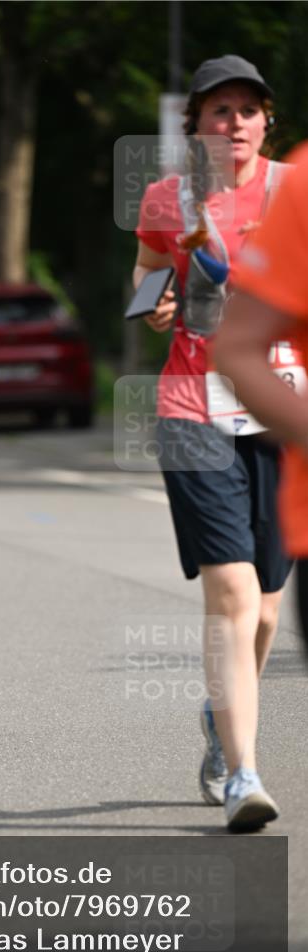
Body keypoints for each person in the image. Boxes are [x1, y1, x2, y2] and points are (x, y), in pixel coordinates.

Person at [133, 56, 290, 832]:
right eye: (218, 110)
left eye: (245, 110)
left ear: (265, 122)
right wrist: (156, 303)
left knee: (264, 612)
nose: (232, 123)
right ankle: (242, 773)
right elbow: (146, 272)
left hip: (284, 409)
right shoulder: (169, 199)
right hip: (192, 406)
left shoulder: (295, 193)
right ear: (194, 123)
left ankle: (218, 714)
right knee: (230, 595)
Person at [215, 143, 308, 654]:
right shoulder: (303, 185)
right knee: (240, 592)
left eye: (248, 109)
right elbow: (236, 347)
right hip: (204, 410)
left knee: (266, 608)